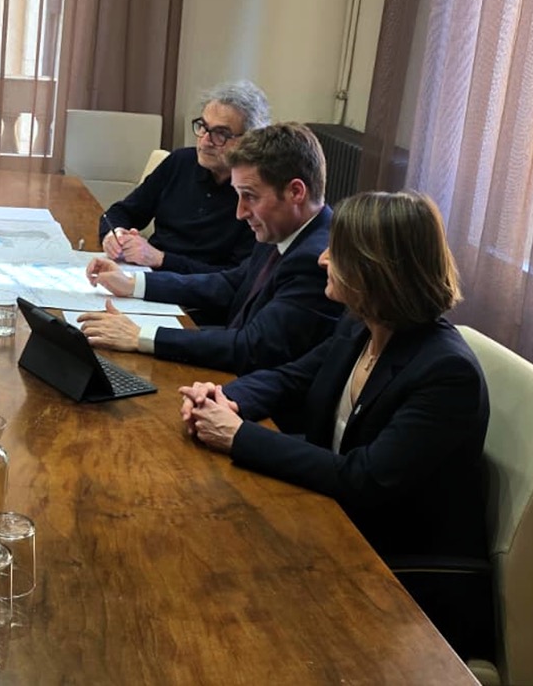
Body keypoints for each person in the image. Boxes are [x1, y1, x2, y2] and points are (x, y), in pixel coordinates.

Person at [181, 191, 491, 657]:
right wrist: (226, 398)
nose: (322, 258)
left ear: (375, 269)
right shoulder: (362, 326)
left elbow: (363, 478)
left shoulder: (447, 373)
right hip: (336, 524)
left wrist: (238, 436)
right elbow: (291, 377)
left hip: (401, 574)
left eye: (336, 251)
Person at [80, 123, 342, 374]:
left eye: (250, 196)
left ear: (296, 192)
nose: (240, 212)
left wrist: (141, 336)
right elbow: (228, 284)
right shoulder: (283, 230)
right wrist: (133, 284)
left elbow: (253, 347)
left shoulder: (317, 260)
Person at [99, 81, 268, 273]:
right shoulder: (180, 161)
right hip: (144, 274)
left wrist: (161, 259)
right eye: (203, 127)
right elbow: (122, 212)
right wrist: (114, 235)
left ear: (249, 140)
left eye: (221, 133)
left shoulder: (255, 194)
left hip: (195, 288)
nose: (205, 140)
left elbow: (234, 277)